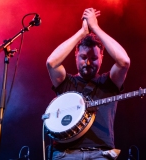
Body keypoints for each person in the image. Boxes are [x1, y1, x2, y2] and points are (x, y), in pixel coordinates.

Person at [46, 8, 130, 160]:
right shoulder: (66, 82)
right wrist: (83, 32)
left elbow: (124, 62)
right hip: (66, 154)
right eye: (83, 57)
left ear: (102, 57)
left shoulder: (109, 82)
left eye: (94, 58)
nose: (88, 62)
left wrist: (96, 28)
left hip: (101, 154)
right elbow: (51, 63)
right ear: (76, 55)